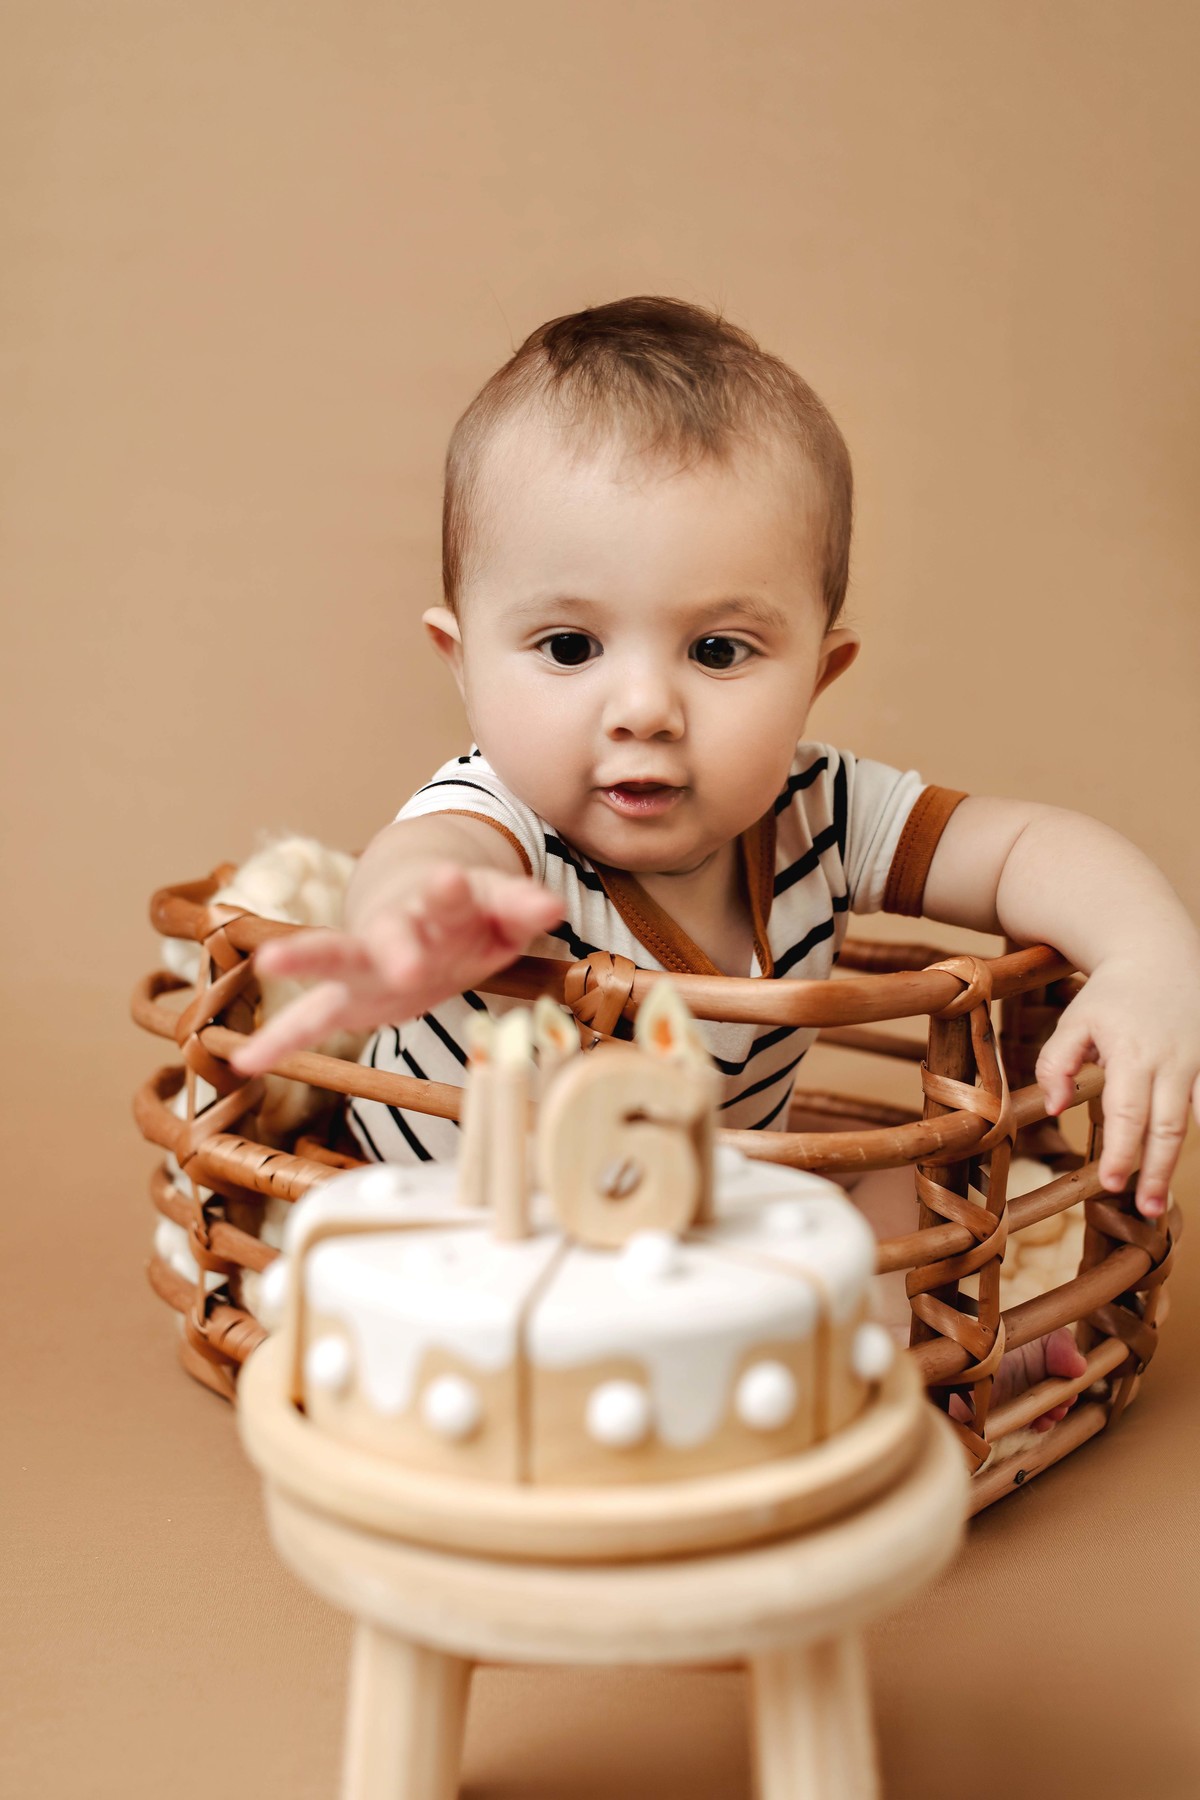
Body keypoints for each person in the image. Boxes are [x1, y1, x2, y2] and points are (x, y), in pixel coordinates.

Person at [231, 296, 1200, 1430]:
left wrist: (1149, 954)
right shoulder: (498, 818)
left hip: (710, 1214)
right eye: (568, 648)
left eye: (719, 650)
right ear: (463, 662)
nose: (644, 706)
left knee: (911, 1196)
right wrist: (419, 925)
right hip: (483, 1232)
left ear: (818, 676)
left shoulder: (822, 806)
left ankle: (891, 1358)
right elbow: (419, 858)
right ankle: (749, 1389)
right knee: (383, 1278)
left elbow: (1033, 844)